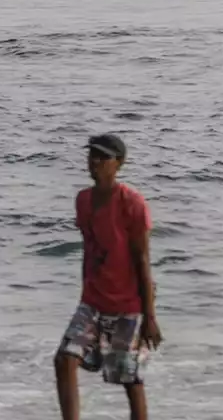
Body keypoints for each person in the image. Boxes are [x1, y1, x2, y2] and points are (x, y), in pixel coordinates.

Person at [55, 134, 159, 420]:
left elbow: (142, 260)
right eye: (92, 156)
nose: (95, 162)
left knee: (128, 378)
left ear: (119, 163)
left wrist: (149, 317)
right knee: (64, 359)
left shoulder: (132, 203)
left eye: (103, 157)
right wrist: (85, 292)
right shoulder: (83, 200)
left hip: (128, 305)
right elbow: (90, 250)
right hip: (93, 300)